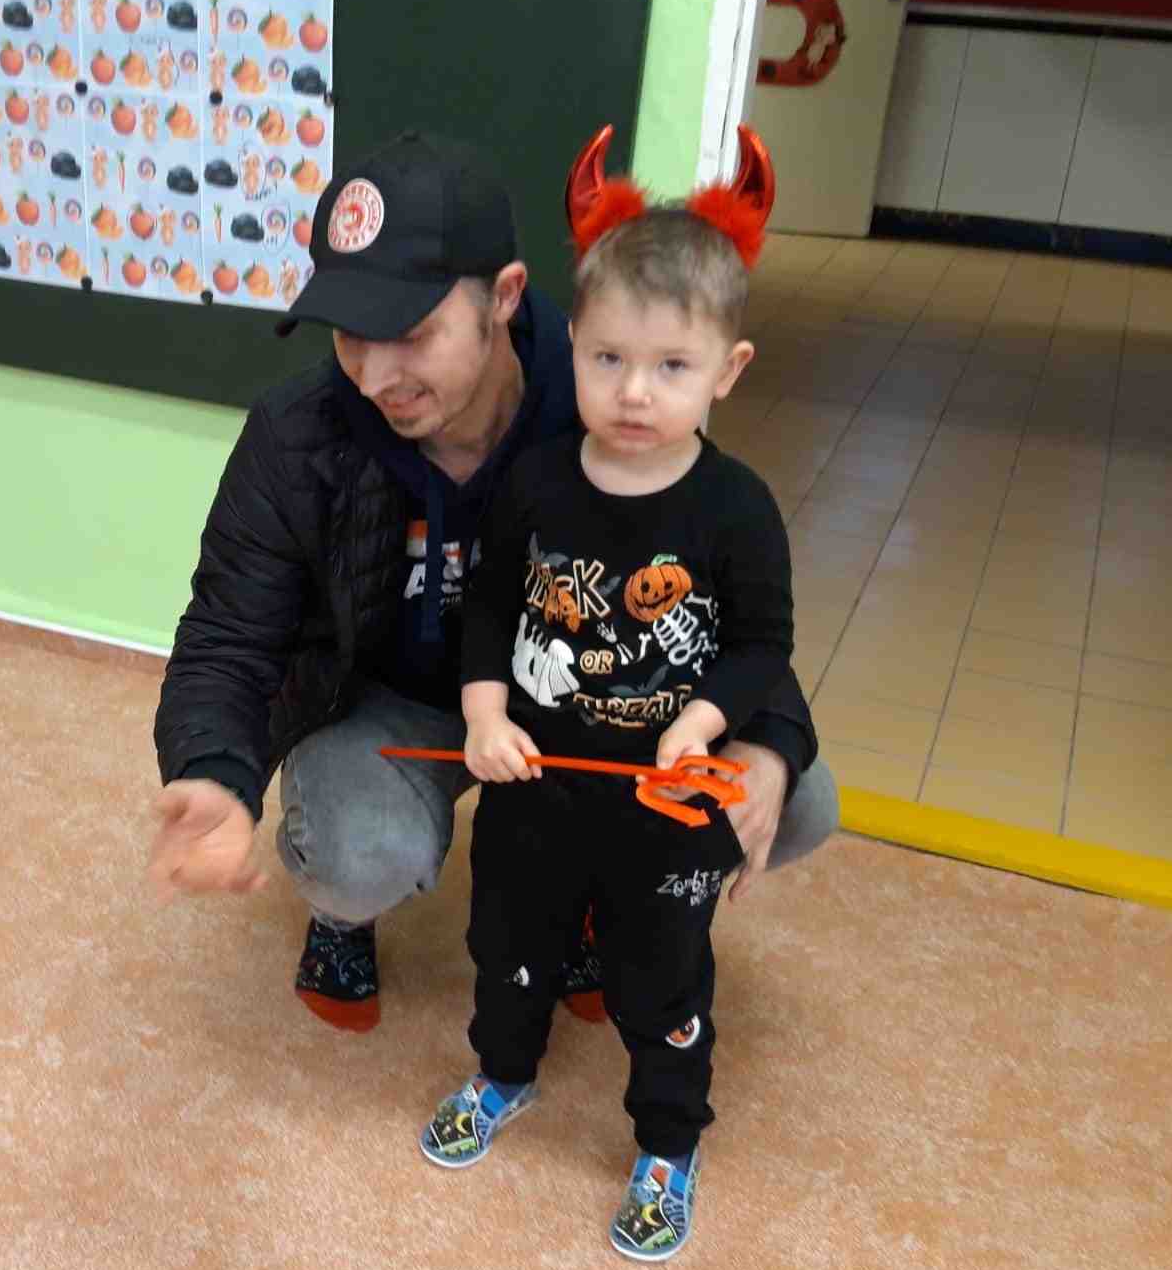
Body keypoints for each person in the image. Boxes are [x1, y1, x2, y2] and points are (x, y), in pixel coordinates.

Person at [149, 130, 835, 1034]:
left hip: (579, 696)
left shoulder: (607, 393)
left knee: (800, 799)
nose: (376, 375)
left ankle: (585, 885)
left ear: (504, 297)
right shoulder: (298, 434)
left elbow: (718, 594)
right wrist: (212, 772)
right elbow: (228, 634)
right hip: (387, 704)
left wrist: (773, 741)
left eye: (411, 334)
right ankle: (342, 920)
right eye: (351, 335)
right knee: (356, 856)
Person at [421, 148, 785, 1263]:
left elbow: (762, 646)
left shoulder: (737, 510)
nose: (634, 392)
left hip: (662, 811)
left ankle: (668, 1144)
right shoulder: (534, 481)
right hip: (535, 790)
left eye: (671, 365)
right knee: (505, 946)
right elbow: (489, 608)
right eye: (609, 358)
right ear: (571, 344)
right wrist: (484, 715)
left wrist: (703, 722)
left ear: (726, 371)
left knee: (660, 981)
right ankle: (503, 1075)